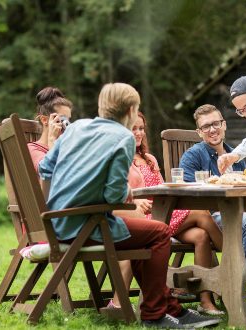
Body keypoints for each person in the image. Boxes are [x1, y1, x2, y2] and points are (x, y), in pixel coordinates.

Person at [37, 83, 220, 328]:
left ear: (102, 106)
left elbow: (46, 168)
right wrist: (127, 192)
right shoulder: (122, 137)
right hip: (86, 225)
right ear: (131, 110)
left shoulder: (77, 127)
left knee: (145, 234)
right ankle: (155, 315)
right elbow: (114, 196)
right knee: (160, 232)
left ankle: (173, 310)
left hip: (59, 222)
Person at [110, 111, 224, 315]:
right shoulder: (119, 158)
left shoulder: (150, 158)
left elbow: (161, 189)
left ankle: (205, 300)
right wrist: (135, 199)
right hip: (143, 218)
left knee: (201, 235)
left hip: (163, 212)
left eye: (141, 129)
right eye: (133, 128)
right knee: (202, 214)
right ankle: (233, 259)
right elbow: (115, 191)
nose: (138, 133)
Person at [179, 104, 246, 310]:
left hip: (244, 212)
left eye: (216, 123)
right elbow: (189, 196)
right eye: (206, 126)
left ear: (224, 125)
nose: (212, 129)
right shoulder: (193, 155)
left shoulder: (235, 154)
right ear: (199, 132)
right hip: (214, 217)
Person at [27, 86, 73, 171]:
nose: (66, 124)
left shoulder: (65, 148)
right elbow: (47, 172)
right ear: (44, 120)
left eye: (68, 120)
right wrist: (52, 139)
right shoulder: (33, 148)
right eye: (63, 119)